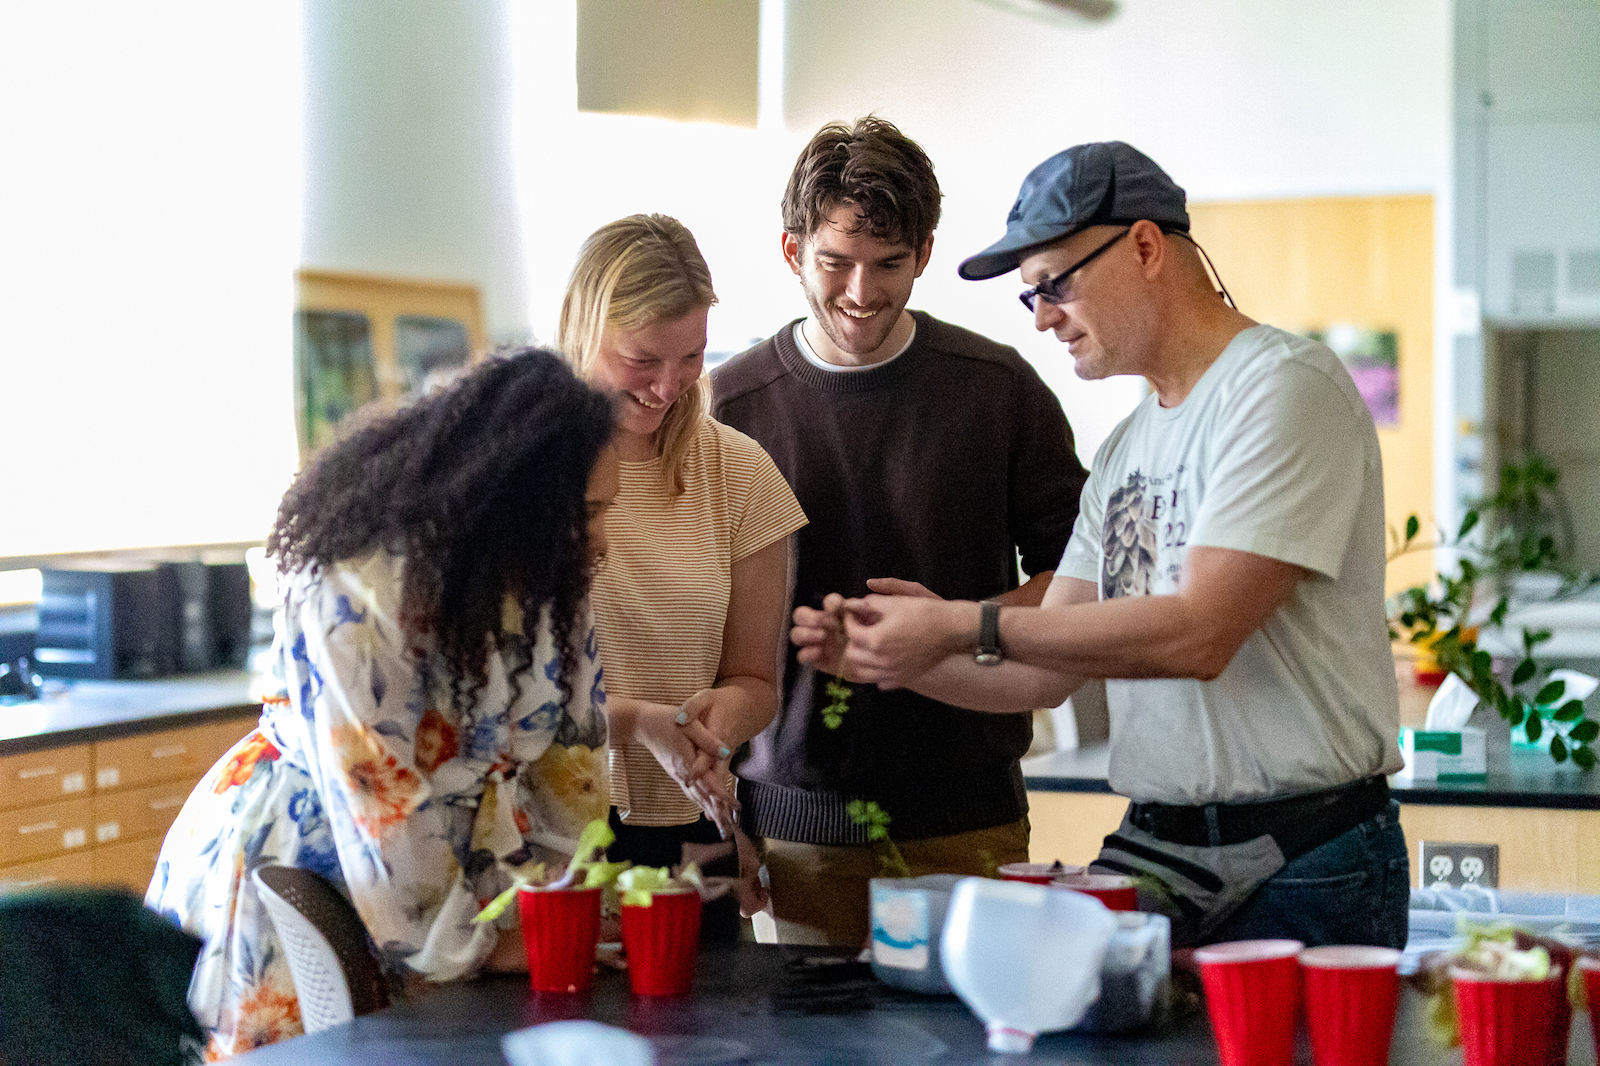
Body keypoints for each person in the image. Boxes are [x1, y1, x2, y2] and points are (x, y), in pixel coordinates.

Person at [804, 141, 1409, 950]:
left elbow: (1201, 632)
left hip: (1304, 851)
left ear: (1147, 246)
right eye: (1032, 299)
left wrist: (957, 624)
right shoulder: (1129, 446)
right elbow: (1046, 671)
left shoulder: (1282, 387)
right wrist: (904, 659)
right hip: (1162, 841)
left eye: (1055, 284)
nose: (1046, 315)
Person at [146, 349, 619, 1058]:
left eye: (608, 508)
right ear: (509, 502)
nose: (602, 538)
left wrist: (571, 901)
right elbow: (383, 804)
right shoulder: (358, 592)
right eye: (585, 513)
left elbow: (570, 756)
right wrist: (480, 945)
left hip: (467, 877)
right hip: (328, 873)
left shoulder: (550, 572)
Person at [712, 117, 1088, 948]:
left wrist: (953, 626)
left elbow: (1086, 587)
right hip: (790, 831)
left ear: (923, 253)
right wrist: (713, 819)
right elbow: (685, 632)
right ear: (790, 250)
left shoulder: (998, 390)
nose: (860, 292)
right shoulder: (726, 409)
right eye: (834, 263)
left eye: (888, 265)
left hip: (970, 814)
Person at [556, 214, 808, 939]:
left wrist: (711, 730)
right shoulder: (526, 474)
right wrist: (645, 725)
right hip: (553, 828)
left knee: (717, 1044)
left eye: (692, 356)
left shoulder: (740, 471)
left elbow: (756, 683)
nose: (669, 387)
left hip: (697, 827)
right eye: (643, 359)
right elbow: (497, 711)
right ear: (584, 327)